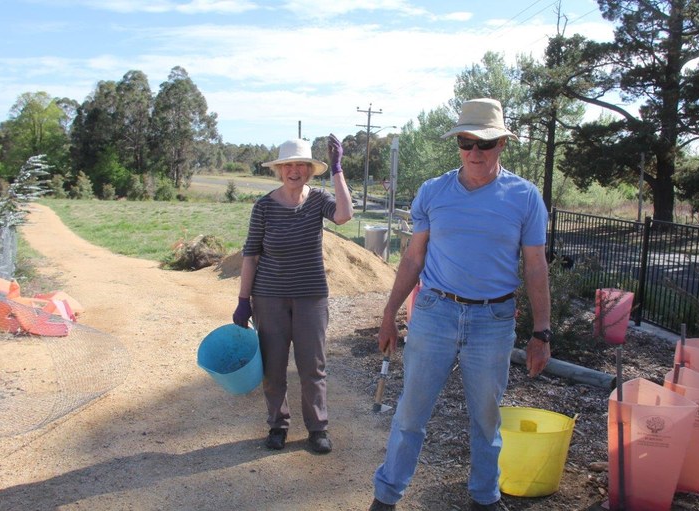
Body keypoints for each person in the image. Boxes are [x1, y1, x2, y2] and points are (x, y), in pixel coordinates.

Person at [369, 98, 552, 511]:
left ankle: (484, 498)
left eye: (483, 143)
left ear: (501, 144)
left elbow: (536, 266)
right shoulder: (434, 192)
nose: (474, 152)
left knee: (487, 421)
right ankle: (386, 497)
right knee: (410, 414)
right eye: (465, 142)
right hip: (435, 313)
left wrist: (542, 332)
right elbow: (414, 257)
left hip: (494, 319)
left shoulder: (524, 197)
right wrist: (389, 313)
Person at [233, 135, 353, 454]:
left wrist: (338, 169)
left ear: (311, 170)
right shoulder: (263, 207)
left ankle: (317, 428)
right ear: (279, 170)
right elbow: (251, 256)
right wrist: (244, 301)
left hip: (311, 297)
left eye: (301, 164)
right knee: (273, 367)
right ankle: (277, 425)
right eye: (288, 165)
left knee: (312, 366)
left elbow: (344, 216)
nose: (294, 170)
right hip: (269, 298)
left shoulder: (318, 200)